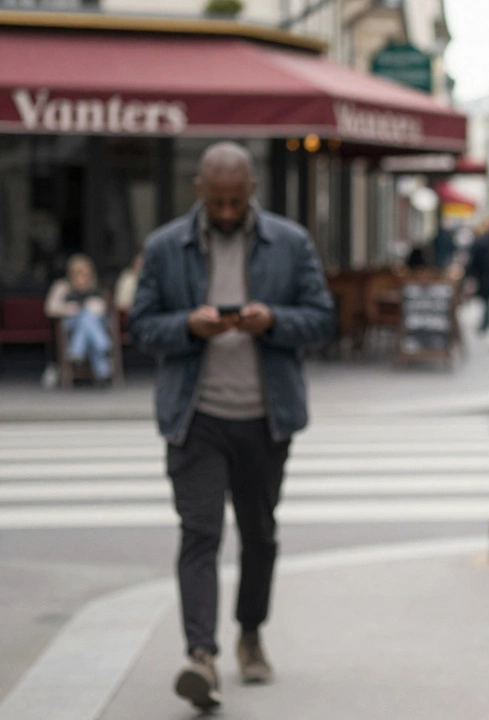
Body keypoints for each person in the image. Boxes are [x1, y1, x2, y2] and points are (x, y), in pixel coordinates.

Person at [129, 142, 336, 710]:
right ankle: (201, 656)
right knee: (199, 534)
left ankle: (249, 633)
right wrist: (187, 328)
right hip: (194, 418)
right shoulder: (165, 246)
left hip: (265, 419)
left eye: (234, 201)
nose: (224, 212)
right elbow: (141, 326)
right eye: (215, 201)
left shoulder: (289, 242)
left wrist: (273, 321)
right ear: (200, 190)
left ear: (251, 192)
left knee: (259, 534)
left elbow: (322, 318)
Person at [45, 253, 113, 382]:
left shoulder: (95, 287)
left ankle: (77, 351)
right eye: (78, 273)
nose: (82, 277)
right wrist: (67, 309)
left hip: (91, 326)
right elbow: (50, 308)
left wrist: (94, 307)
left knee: (87, 318)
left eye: (85, 273)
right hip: (71, 326)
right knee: (86, 320)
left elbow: (104, 308)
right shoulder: (61, 287)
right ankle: (103, 360)